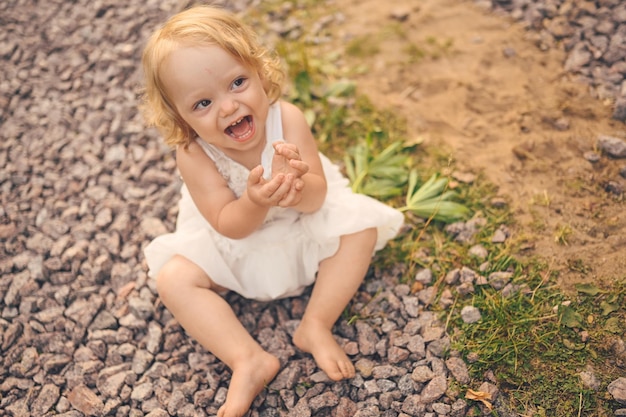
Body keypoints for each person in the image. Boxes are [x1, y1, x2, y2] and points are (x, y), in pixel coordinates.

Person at [140, 5, 404, 417]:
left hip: (300, 223)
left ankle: (314, 324)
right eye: (204, 103)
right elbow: (229, 226)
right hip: (237, 240)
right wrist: (255, 201)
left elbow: (318, 199)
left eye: (238, 82)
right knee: (174, 279)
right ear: (181, 117)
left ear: (261, 74)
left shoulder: (289, 120)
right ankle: (247, 358)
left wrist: (294, 190)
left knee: (360, 230)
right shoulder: (194, 153)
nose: (228, 107)